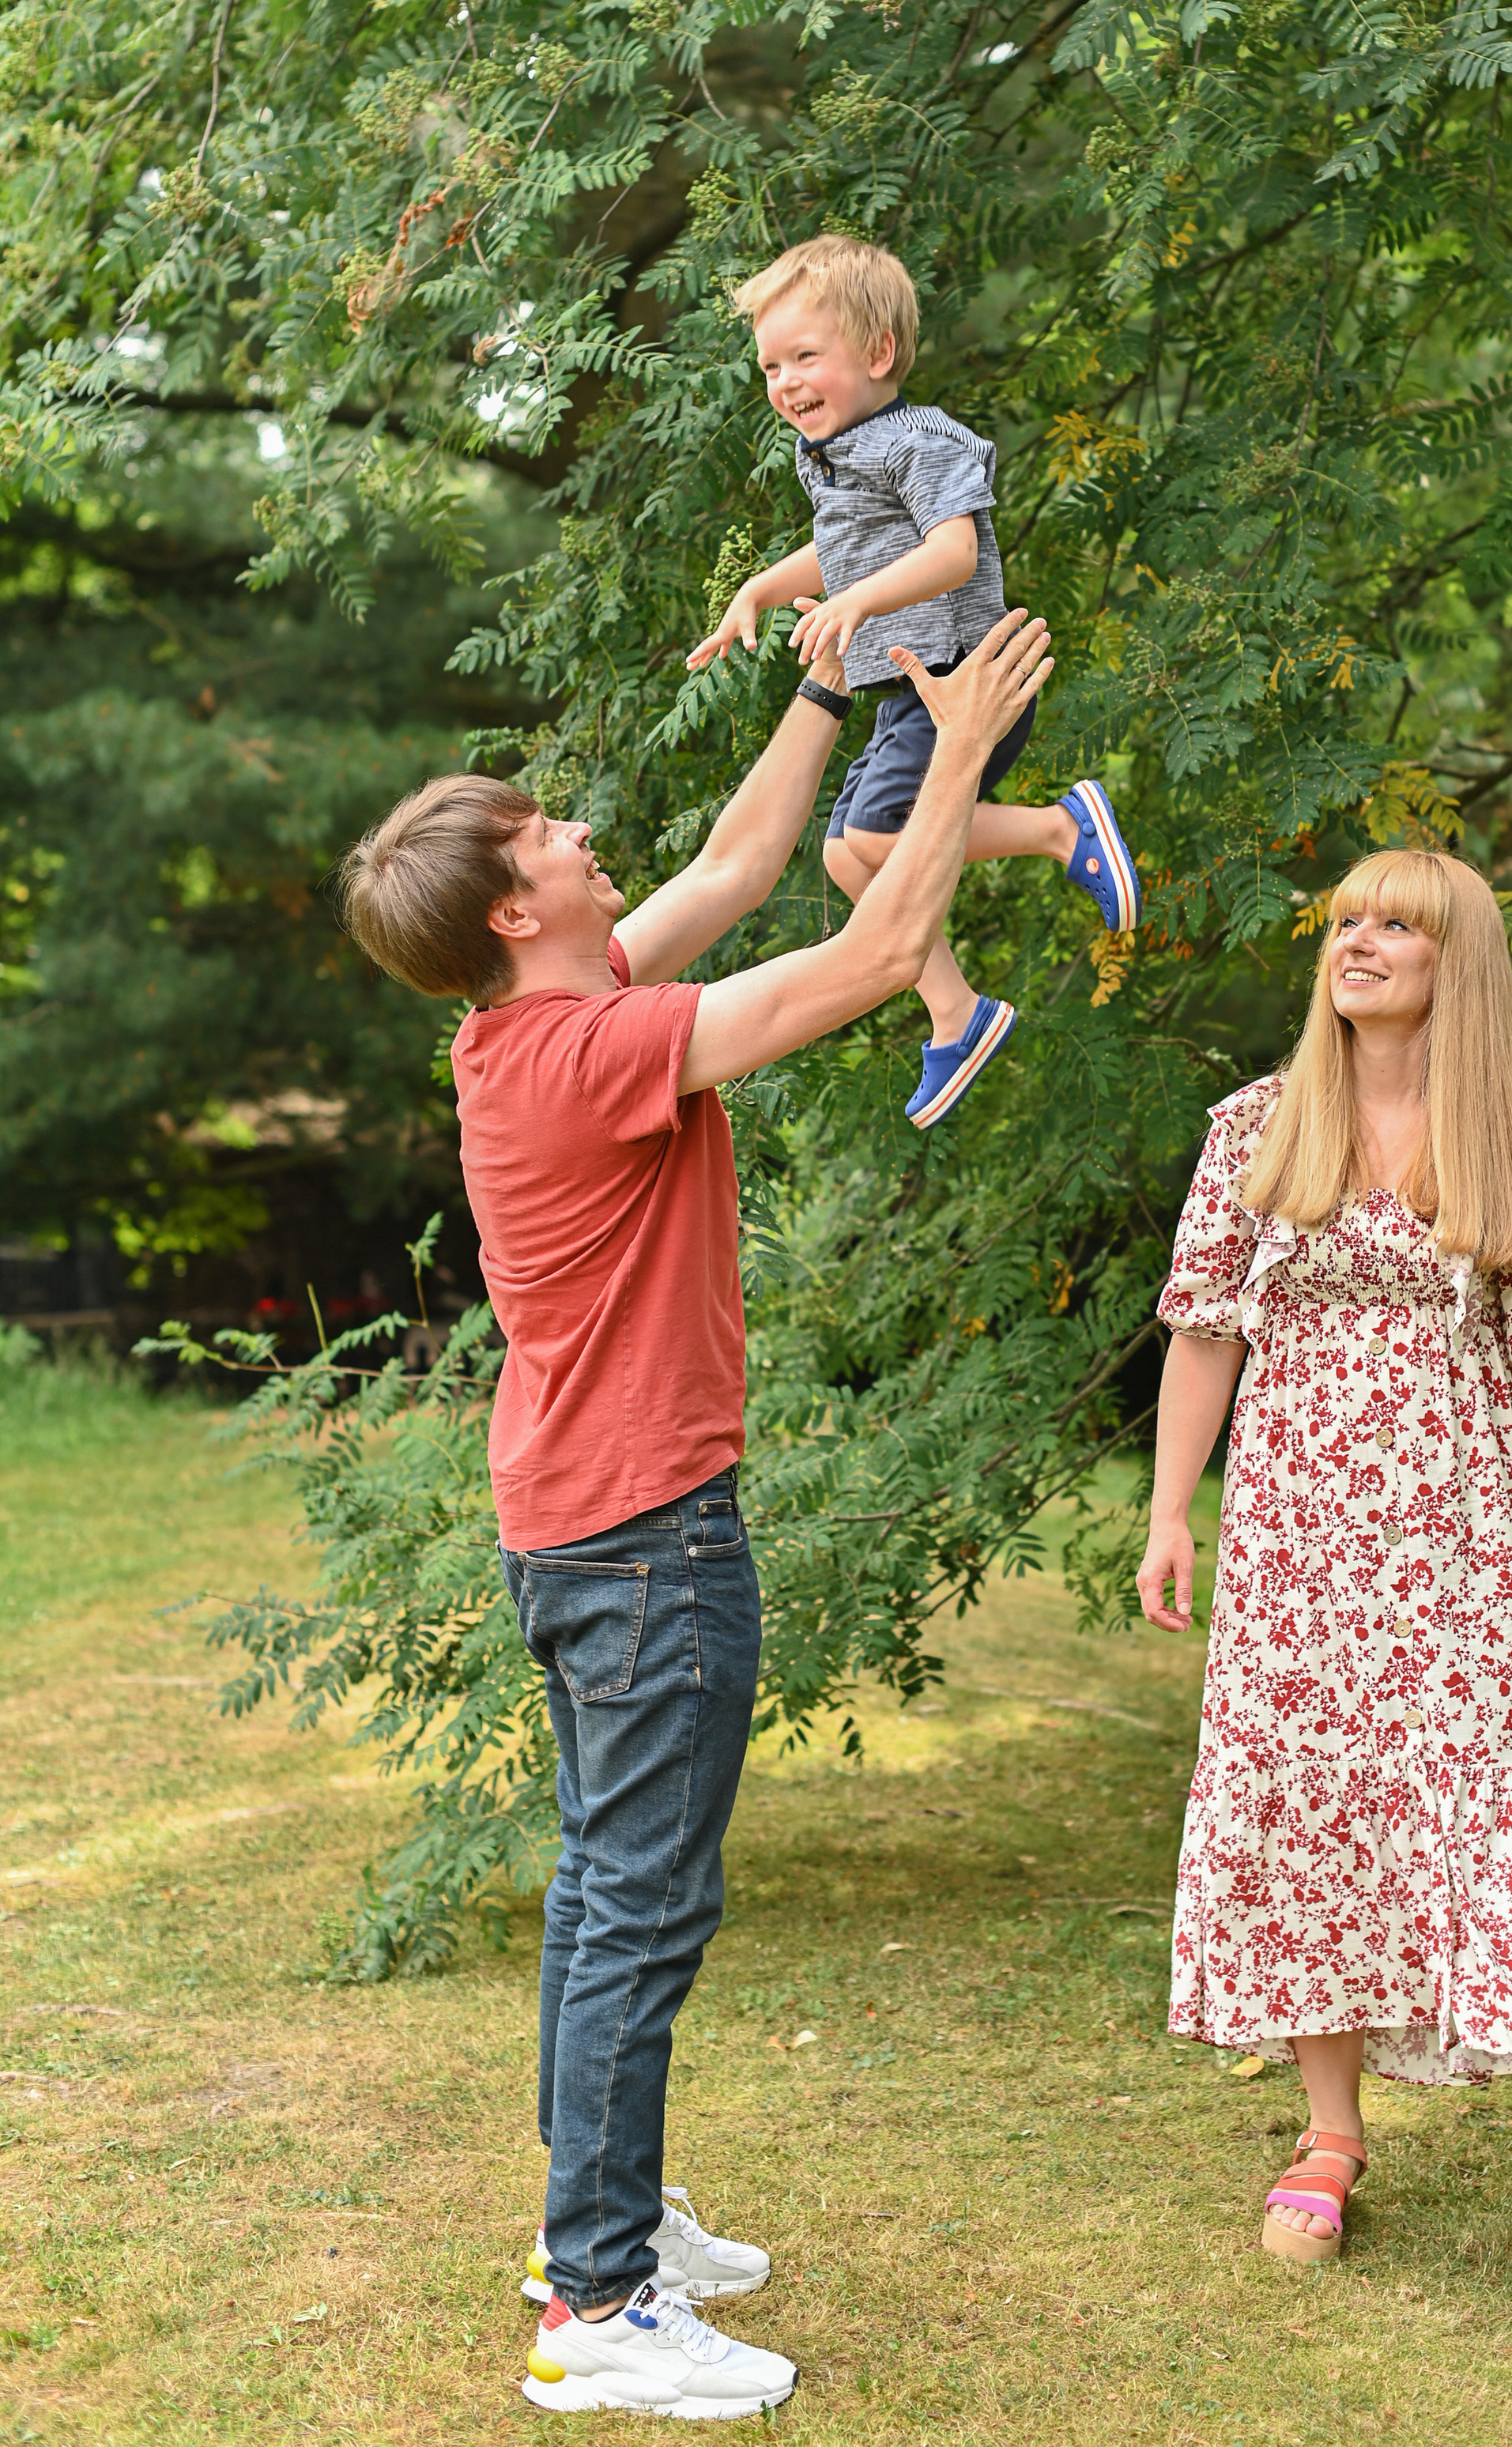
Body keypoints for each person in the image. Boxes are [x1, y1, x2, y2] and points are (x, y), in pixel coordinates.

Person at [339, 609, 1054, 2419]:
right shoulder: (587, 1055)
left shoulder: (543, 1023)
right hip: (645, 1538)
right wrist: (953, 743)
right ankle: (597, 2307)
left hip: (587, 1523)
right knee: (639, 1908)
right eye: (549, 835)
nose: (583, 835)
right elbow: (879, 939)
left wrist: (829, 683)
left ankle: (606, 2221)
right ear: (513, 905)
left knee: (607, 1898)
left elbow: (742, 865)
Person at [1134, 848, 1512, 2318]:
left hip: (1467, 1536)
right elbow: (1203, 1332)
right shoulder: (1255, 1127)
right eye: (1347, 921)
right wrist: (1172, 1512)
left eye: (1397, 925)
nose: (1360, 942)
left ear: (1453, 961)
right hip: (1297, 1543)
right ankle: (1331, 2129)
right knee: (1314, 1806)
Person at [684, 232, 1139, 1129]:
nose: (784, 382)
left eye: (805, 357)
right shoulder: (839, 456)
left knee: (881, 835)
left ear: (878, 353)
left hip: (962, 682)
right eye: (771, 366)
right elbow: (846, 547)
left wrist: (853, 602)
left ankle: (1061, 827)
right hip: (908, 689)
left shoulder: (920, 442)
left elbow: (952, 550)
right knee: (845, 852)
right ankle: (956, 1012)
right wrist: (762, 588)